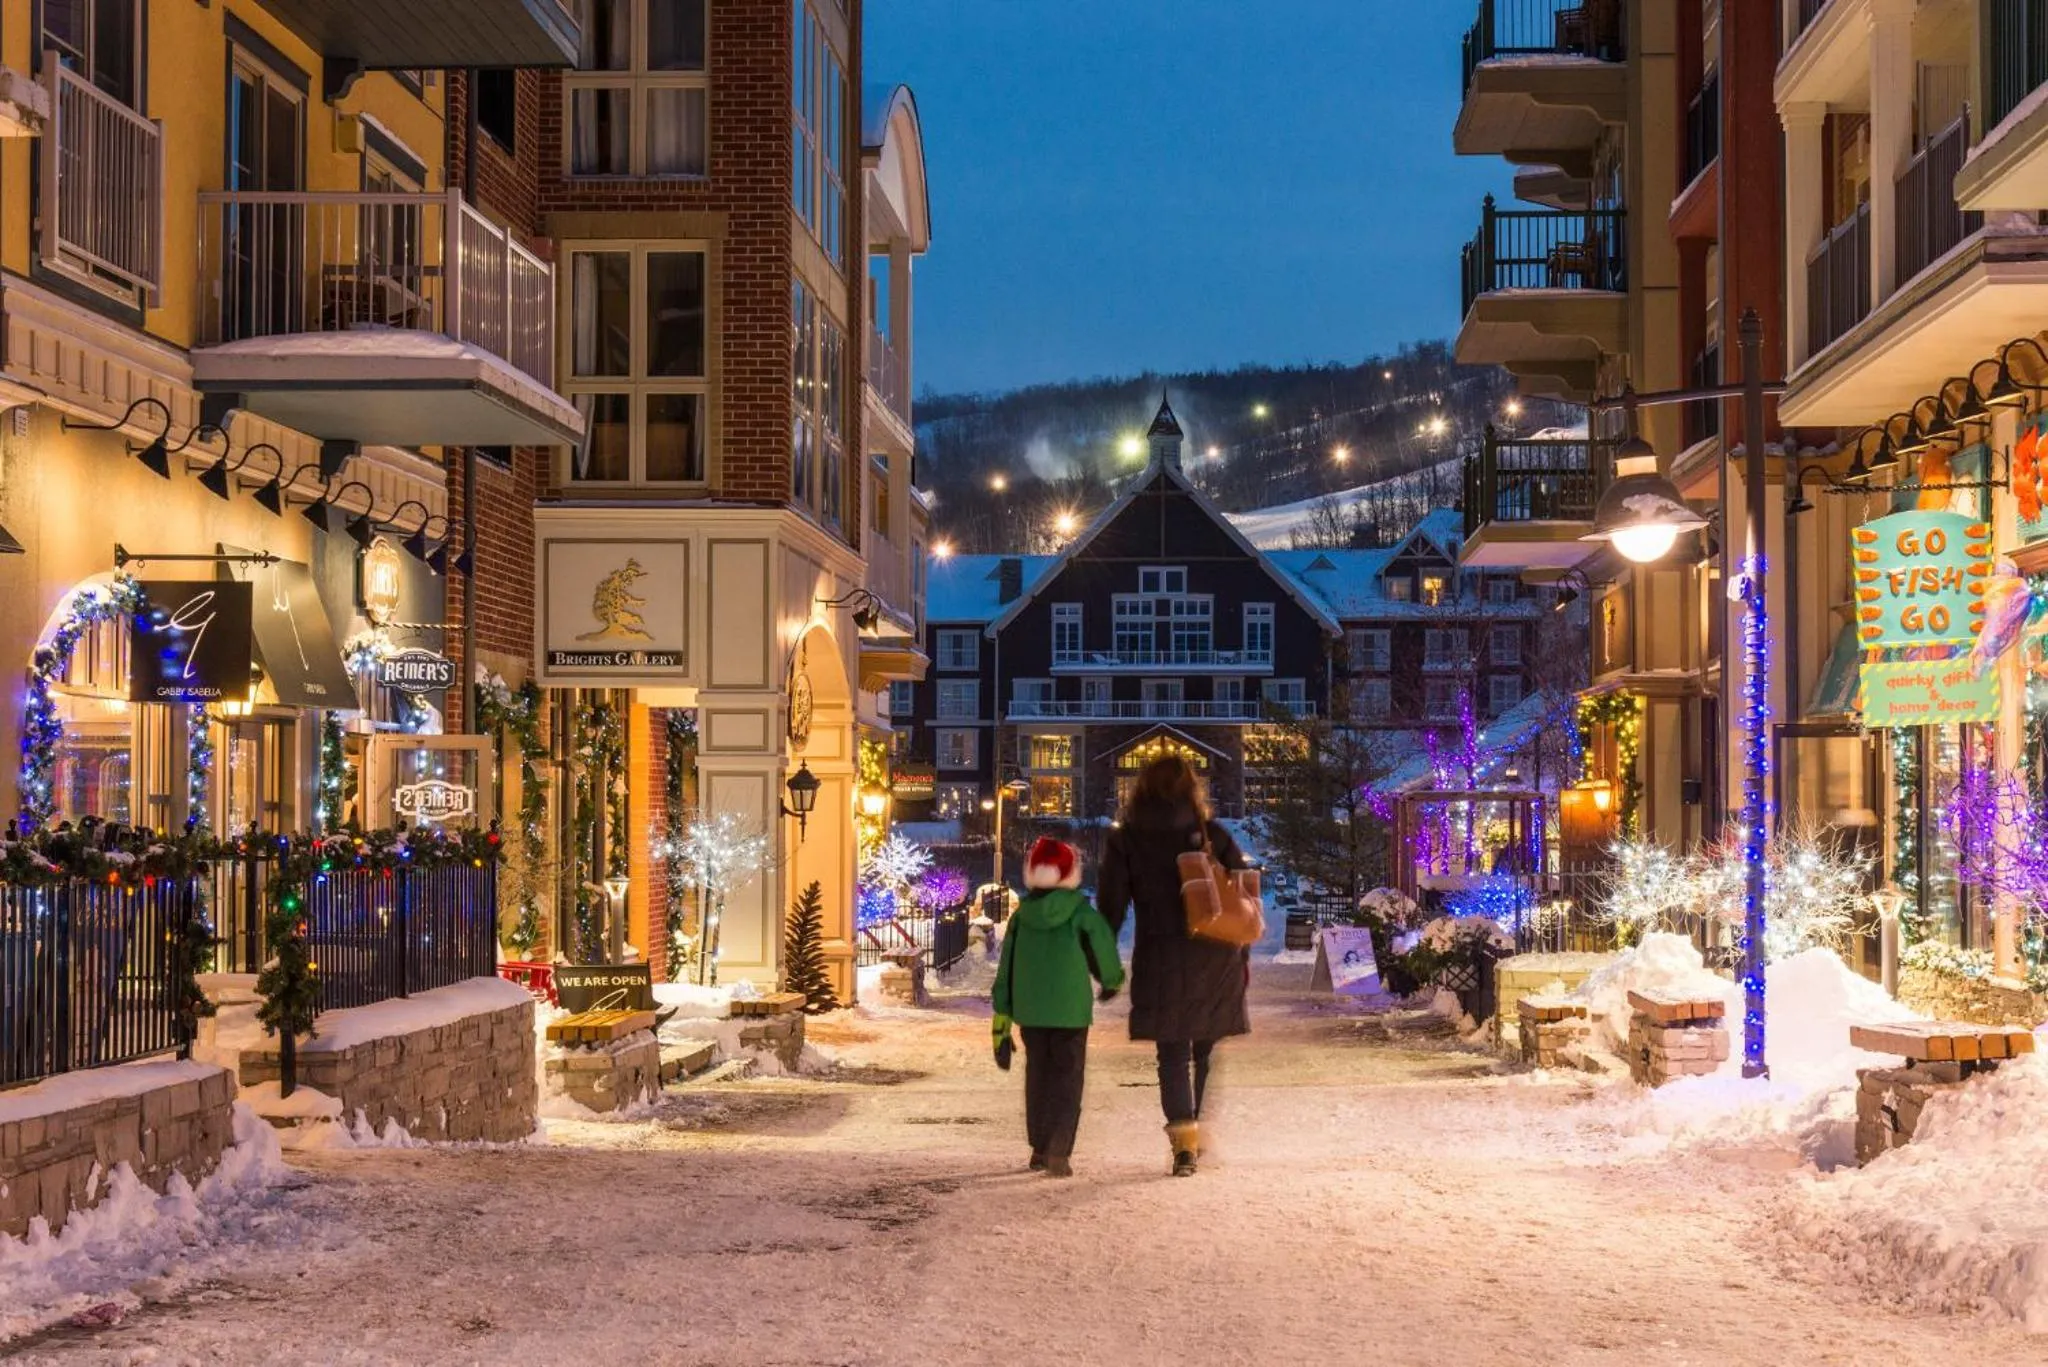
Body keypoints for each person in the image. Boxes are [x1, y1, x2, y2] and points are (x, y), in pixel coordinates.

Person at [1098, 755, 1251, 1176]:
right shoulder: (1210, 834)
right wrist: (1243, 957)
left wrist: (1102, 961)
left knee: (1171, 1051)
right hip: (1214, 955)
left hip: (1160, 955)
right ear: (1190, 789)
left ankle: (1183, 1143)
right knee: (1203, 1047)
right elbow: (1242, 897)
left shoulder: (1126, 839)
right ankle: (1195, 1132)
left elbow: (1110, 907)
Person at [990, 837, 1125, 1178]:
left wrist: (1001, 1022)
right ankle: (1059, 1150)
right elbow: (1104, 948)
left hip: (1031, 1014)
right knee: (1067, 1080)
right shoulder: (1080, 913)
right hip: (1071, 1014)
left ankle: (1038, 1147)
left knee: (1039, 1077)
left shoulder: (1021, 919)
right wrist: (1111, 981)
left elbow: (1006, 969)